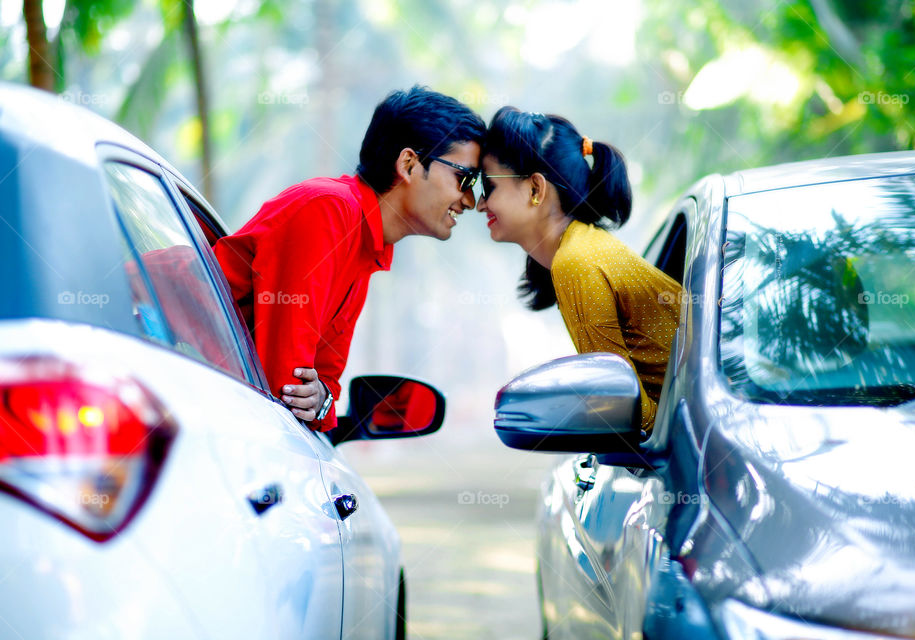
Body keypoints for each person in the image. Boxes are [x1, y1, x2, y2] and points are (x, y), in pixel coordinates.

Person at [214, 86, 485, 431]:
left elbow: (323, 383)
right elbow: (286, 388)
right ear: (409, 164)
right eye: (464, 179)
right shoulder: (328, 210)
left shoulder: (368, 243)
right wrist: (316, 399)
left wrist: (321, 398)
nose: (471, 200)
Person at [477, 107, 681, 433]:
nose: (480, 203)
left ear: (535, 189)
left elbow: (626, 412)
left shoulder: (576, 263)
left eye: (488, 187)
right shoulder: (580, 249)